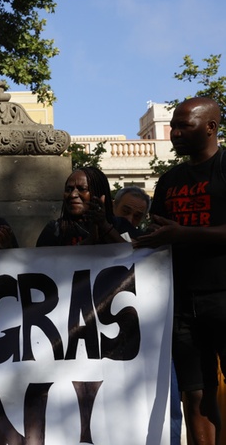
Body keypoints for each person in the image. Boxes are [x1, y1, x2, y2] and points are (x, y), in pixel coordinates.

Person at [134, 97, 226, 444]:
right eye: (173, 125)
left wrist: (183, 234)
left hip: (222, 294)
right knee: (196, 395)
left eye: (184, 126)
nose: (174, 133)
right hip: (182, 305)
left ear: (211, 127)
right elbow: (156, 240)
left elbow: (176, 234)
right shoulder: (170, 180)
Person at [35, 166, 129, 246]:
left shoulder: (120, 225)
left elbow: (133, 255)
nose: (73, 195)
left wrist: (104, 225)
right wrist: (87, 243)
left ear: (98, 193)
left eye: (82, 189)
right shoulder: (55, 230)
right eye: (68, 189)